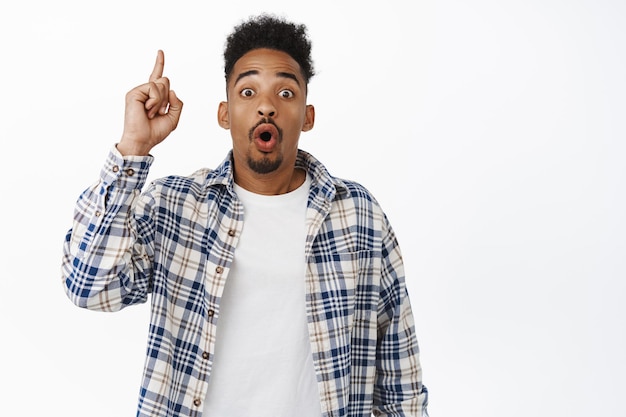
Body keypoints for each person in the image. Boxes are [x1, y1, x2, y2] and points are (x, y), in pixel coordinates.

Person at [62, 13, 429, 417]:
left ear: (308, 115)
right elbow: (88, 286)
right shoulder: (176, 207)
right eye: (248, 92)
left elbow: (400, 386)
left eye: (285, 93)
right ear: (225, 113)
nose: (267, 107)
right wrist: (132, 148)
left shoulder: (358, 216)